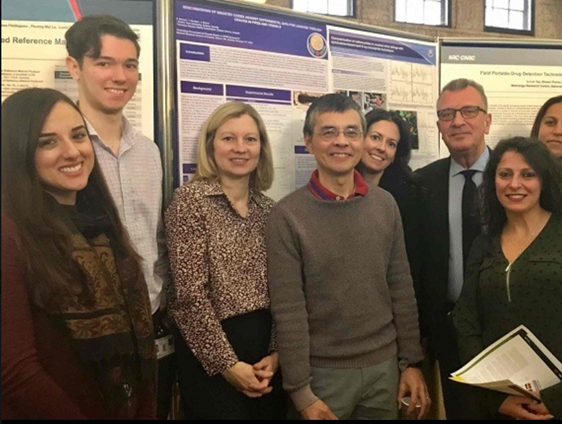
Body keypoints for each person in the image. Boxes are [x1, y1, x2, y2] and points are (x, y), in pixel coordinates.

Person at [267, 93, 429, 420]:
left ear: (361, 140)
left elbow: (401, 287)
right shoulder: (287, 215)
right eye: (329, 132)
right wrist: (300, 391)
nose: (341, 142)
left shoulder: (385, 205)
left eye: (352, 132)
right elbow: (288, 309)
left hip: (384, 370)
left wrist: (410, 362)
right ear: (309, 142)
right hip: (321, 377)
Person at [1, 88, 157, 420]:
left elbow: (138, 342)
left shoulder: (103, 226)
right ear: (18, 152)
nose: (72, 152)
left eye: (78, 135)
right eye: (48, 142)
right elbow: (15, 374)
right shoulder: (9, 233)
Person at [453, 136, 562, 420]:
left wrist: (560, 397)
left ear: (544, 181)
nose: (515, 184)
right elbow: (466, 319)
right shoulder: (484, 243)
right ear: (493, 182)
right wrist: (493, 398)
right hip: (503, 404)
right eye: (505, 174)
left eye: (527, 174)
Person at [64, 15, 173, 419]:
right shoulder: (60, 152)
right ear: (75, 66)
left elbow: (155, 237)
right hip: (86, 338)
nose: (120, 75)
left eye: (130, 65)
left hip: (149, 326)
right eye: (104, 62)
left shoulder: (149, 151)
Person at [165, 102, 284, 420]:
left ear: (261, 147)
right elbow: (188, 297)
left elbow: (282, 289)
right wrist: (227, 365)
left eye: (250, 139)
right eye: (229, 138)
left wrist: (276, 354)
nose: (240, 148)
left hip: (264, 350)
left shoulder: (269, 209)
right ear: (211, 145)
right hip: (211, 351)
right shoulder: (190, 202)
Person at [415, 78, 491, 419]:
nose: (458, 120)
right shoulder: (423, 184)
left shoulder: (515, 176)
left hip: (506, 326)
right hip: (446, 327)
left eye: (469, 111)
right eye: (447, 113)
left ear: (487, 120)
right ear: (438, 126)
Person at [356, 109, 426, 302]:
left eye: (391, 144)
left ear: (396, 154)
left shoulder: (408, 198)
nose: (381, 148)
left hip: (390, 304)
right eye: (376, 137)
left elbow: (411, 267)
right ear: (360, 139)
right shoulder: (339, 190)